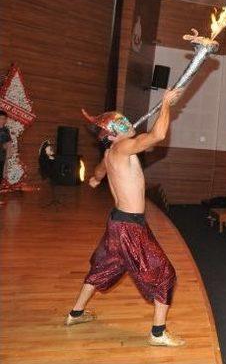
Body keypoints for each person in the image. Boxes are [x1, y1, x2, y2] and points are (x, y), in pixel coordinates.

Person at [66, 89, 184, 346]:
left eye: (126, 121)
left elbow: (99, 171)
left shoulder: (110, 154)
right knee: (165, 274)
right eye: (121, 124)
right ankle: (158, 333)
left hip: (118, 222)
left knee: (102, 268)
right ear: (111, 135)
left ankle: (75, 314)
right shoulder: (123, 148)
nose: (128, 125)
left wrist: (96, 179)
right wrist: (165, 105)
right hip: (129, 227)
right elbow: (158, 135)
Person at [0, 110, 12, 184]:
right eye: (0, 118)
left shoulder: (6, 130)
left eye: (4, 119)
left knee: (0, 176)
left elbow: (8, 142)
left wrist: (7, 148)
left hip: (2, 157)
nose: (2, 120)